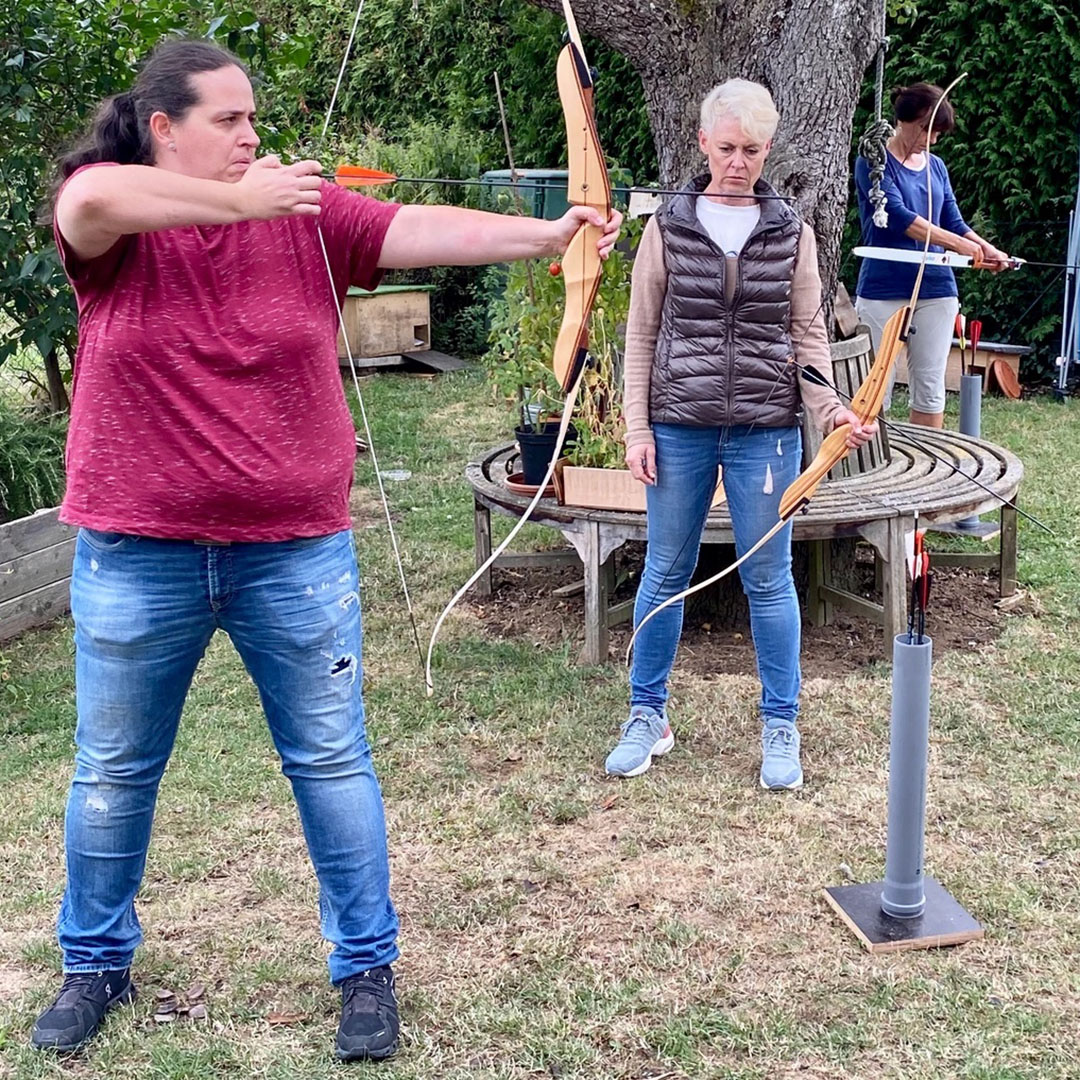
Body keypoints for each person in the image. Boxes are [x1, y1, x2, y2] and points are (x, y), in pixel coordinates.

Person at [33, 38, 621, 1060]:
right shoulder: (120, 223)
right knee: (114, 771)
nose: (253, 134)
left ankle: (365, 970)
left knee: (331, 762)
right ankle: (94, 963)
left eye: (254, 117)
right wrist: (241, 203)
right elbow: (88, 201)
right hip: (138, 550)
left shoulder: (301, 214)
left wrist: (550, 234)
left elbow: (415, 227)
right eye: (229, 119)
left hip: (292, 552)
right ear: (164, 127)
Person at [605, 79, 875, 789]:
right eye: (726, 148)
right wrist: (637, 428)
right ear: (702, 143)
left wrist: (833, 413)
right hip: (678, 425)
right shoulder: (667, 225)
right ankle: (646, 714)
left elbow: (808, 338)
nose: (738, 162)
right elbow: (640, 335)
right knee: (665, 571)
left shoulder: (792, 231)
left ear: (767, 150)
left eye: (752, 150)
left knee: (767, 577)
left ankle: (780, 723)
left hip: (766, 431)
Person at [854, 82, 1009, 428]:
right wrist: (959, 245)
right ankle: (872, 467)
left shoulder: (936, 166)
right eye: (929, 130)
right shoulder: (872, 162)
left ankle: (926, 469)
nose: (933, 140)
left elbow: (953, 220)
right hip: (883, 288)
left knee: (929, 386)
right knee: (875, 387)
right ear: (908, 121)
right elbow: (895, 216)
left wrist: (987, 248)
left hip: (936, 289)